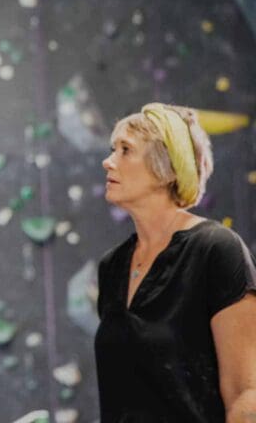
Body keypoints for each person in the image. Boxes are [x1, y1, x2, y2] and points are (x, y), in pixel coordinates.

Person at [95, 103, 256, 421]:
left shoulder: (215, 250)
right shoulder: (112, 267)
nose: (108, 161)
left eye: (125, 150)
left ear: (165, 167)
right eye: (113, 149)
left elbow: (246, 394)